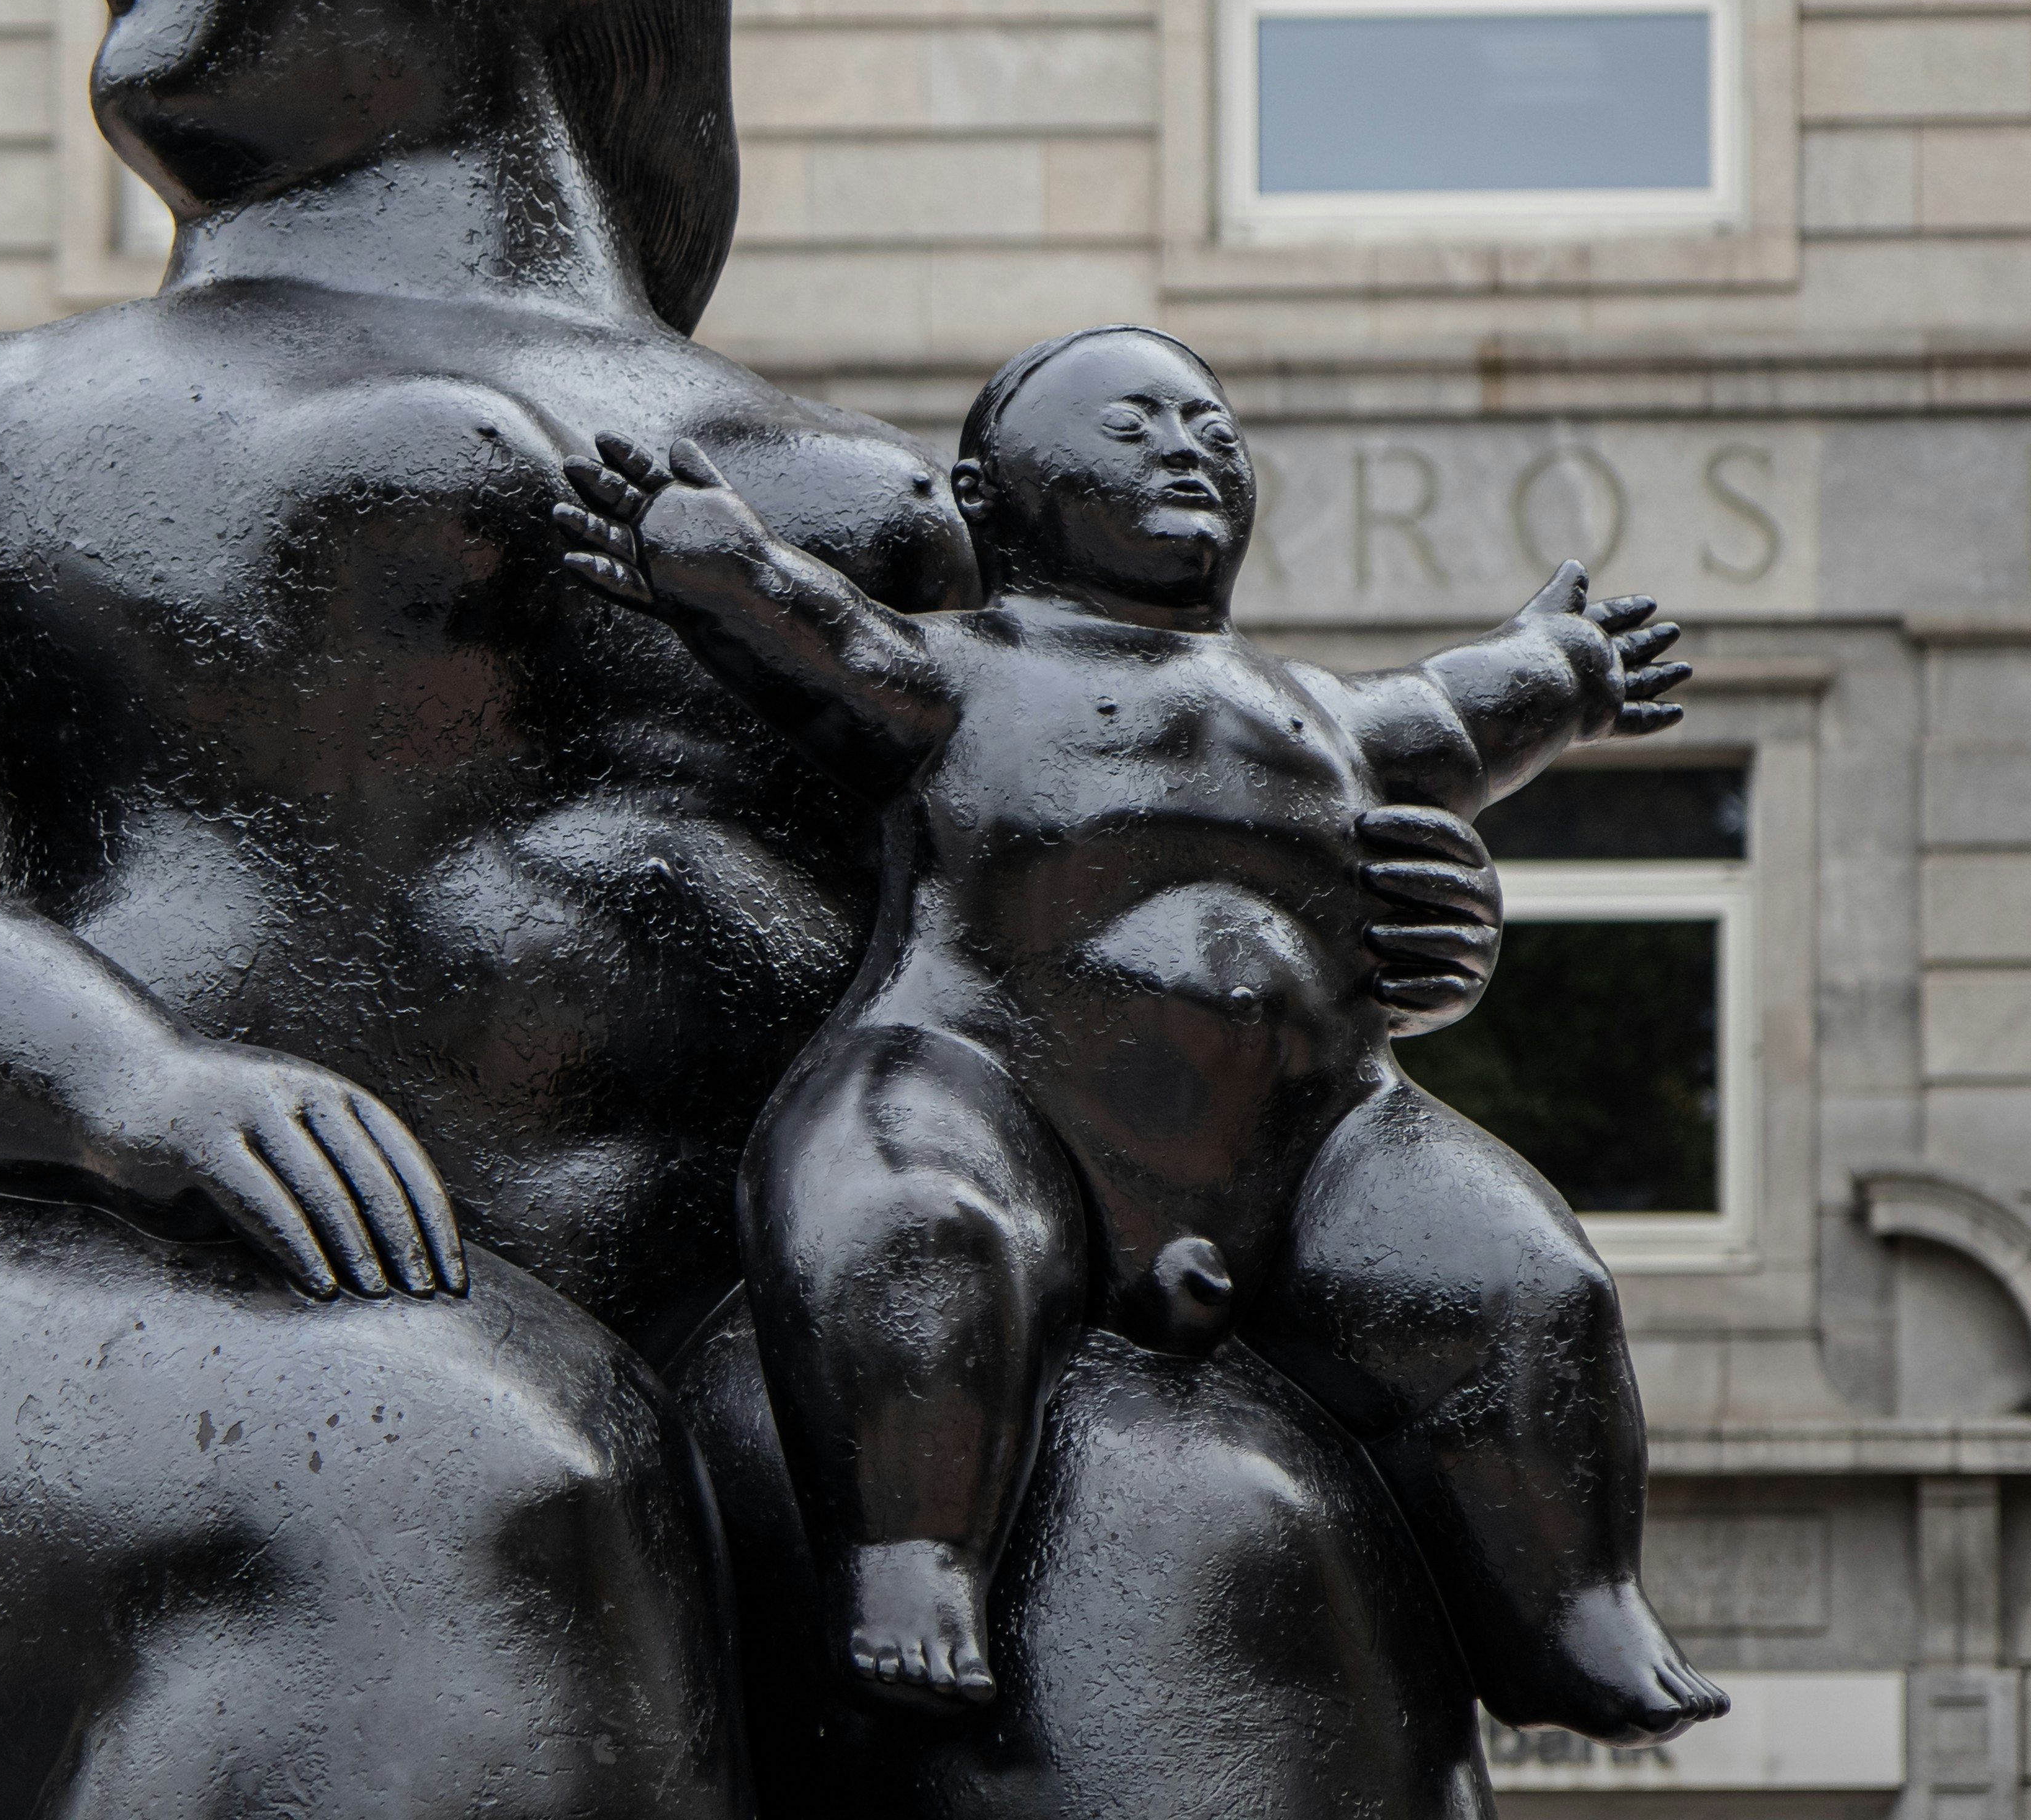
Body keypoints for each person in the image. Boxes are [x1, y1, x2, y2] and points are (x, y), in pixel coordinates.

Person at [0, 0, 1513, 1819]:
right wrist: (136, 1086)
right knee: (461, 1492)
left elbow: (1022, 890)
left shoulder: (898, 507)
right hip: (29, 1270)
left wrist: (1285, 921)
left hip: (711, 1314)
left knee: (1198, 1531)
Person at [550, 325, 1730, 1746]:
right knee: (907, 1222)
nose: (1189, 447)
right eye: (1135, 427)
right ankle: (915, 1554)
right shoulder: (963, 673)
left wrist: (1567, 666)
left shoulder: (1321, 713)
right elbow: (827, 640)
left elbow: (1459, 708)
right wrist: (711, 557)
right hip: (997, 1085)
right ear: (989, 500)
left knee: (1524, 1277)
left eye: (1212, 429)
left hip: (1316, 1136)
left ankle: (1572, 1602)